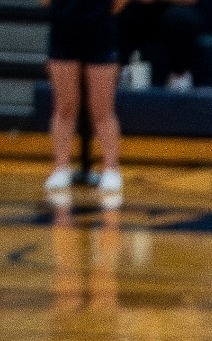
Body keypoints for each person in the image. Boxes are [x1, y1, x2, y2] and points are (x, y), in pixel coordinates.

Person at [42, 0, 126, 208]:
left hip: (100, 30)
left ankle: (111, 169)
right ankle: (61, 167)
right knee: (64, 105)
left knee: (102, 107)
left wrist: (103, 11)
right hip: (64, 29)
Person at [117, 0, 200, 89]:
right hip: (135, 11)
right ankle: (119, 70)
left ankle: (179, 74)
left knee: (182, 19)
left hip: (173, 11)